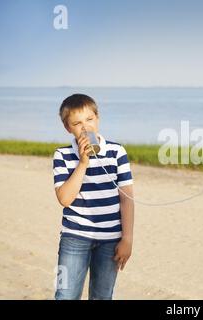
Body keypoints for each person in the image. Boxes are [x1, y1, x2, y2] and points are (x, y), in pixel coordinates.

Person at [52, 94, 134, 299]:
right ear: (67, 127)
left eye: (89, 120)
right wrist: (82, 163)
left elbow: (127, 199)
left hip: (110, 240)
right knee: (65, 295)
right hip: (74, 238)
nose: (85, 127)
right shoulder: (62, 155)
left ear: (98, 119)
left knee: (102, 296)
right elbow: (64, 199)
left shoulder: (117, 152)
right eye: (77, 123)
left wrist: (128, 238)